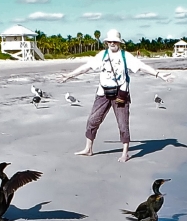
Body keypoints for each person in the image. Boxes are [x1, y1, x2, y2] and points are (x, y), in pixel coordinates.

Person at [59, 29, 171, 162]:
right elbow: (86, 67)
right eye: (110, 41)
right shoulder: (102, 55)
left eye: (115, 41)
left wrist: (159, 75)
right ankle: (88, 149)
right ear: (107, 42)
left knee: (123, 123)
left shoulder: (125, 56)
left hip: (120, 94)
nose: (112, 43)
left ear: (119, 43)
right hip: (103, 93)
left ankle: (125, 153)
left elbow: (142, 66)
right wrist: (69, 75)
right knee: (92, 120)